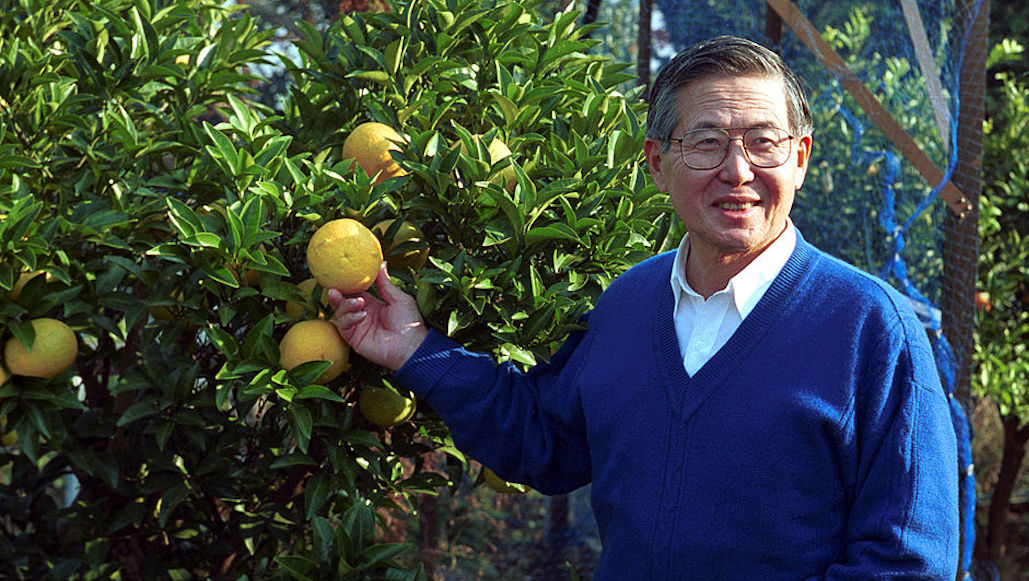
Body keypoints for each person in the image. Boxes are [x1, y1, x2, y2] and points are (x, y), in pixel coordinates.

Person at [330, 35, 960, 580]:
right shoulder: (629, 305)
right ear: (659, 164)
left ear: (798, 158)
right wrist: (416, 348)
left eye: (764, 142)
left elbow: (906, 561)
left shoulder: (872, 328)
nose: (737, 171)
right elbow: (546, 438)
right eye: (706, 142)